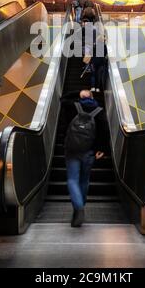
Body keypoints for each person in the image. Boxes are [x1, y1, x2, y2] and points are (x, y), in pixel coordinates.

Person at [60, 90, 110, 227]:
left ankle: (78, 207)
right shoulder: (99, 110)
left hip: (72, 150)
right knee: (84, 180)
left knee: (72, 179)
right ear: (92, 97)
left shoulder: (72, 106)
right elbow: (105, 131)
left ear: (80, 97)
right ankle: (80, 205)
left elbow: (62, 98)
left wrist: (77, 93)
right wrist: (102, 149)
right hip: (89, 151)